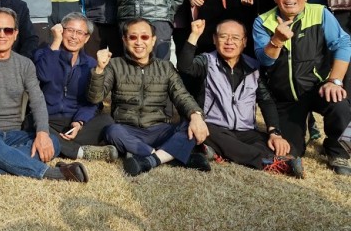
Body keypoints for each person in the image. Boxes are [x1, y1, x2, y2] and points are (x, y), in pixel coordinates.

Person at [0, 8, 88, 183]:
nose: (2, 35)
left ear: (15, 34)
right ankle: (52, 174)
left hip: (15, 132)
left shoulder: (25, 64)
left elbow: (37, 100)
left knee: (52, 141)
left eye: (8, 30)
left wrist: (42, 132)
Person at [252, 0, 351, 175]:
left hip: (318, 88)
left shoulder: (320, 13)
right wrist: (277, 40)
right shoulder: (262, 21)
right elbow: (265, 60)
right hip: (285, 96)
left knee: (340, 103)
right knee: (289, 151)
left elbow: (343, 43)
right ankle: (301, 134)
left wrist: (335, 80)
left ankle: (337, 150)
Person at [178, 18, 303, 177]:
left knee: (289, 147)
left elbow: (266, 101)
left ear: (244, 42)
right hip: (214, 128)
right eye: (223, 36)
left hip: (246, 131)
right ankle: (268, 161)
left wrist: (274, 133)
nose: (229, 42)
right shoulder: (206, 61)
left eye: (236, 38)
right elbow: (185, 67)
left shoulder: (254, 66)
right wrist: (194, 35)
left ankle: (221, 152)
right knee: (205, 134)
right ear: (215, 39)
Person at [87, 18, 211, 176]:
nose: (139, 42)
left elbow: (182, 95)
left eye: (144, 37)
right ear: (124, 40)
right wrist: (99, 70)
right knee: (111, 131)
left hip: (159, 129)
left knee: (189, 125)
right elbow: (95, 98)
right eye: (133, 37)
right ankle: (168, 157)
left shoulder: (165, 67)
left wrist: (196, 115)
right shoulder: (114, 65)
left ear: (153, 40)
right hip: (127, 130)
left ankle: (149, 160)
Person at [33, 14, 117, 163]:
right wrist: (56, 41)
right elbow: (44, 75)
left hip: (74, 121)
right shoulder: (45, 54)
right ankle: (79, 151)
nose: (74, 36)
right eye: (70, 30)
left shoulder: (91, 64)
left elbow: (93, 102)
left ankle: (58, 144)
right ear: (61, 31)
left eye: (79, 33)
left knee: (107, 121)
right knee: (30, 125)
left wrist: (79, 122)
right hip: (47, 119)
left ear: (87, 38)